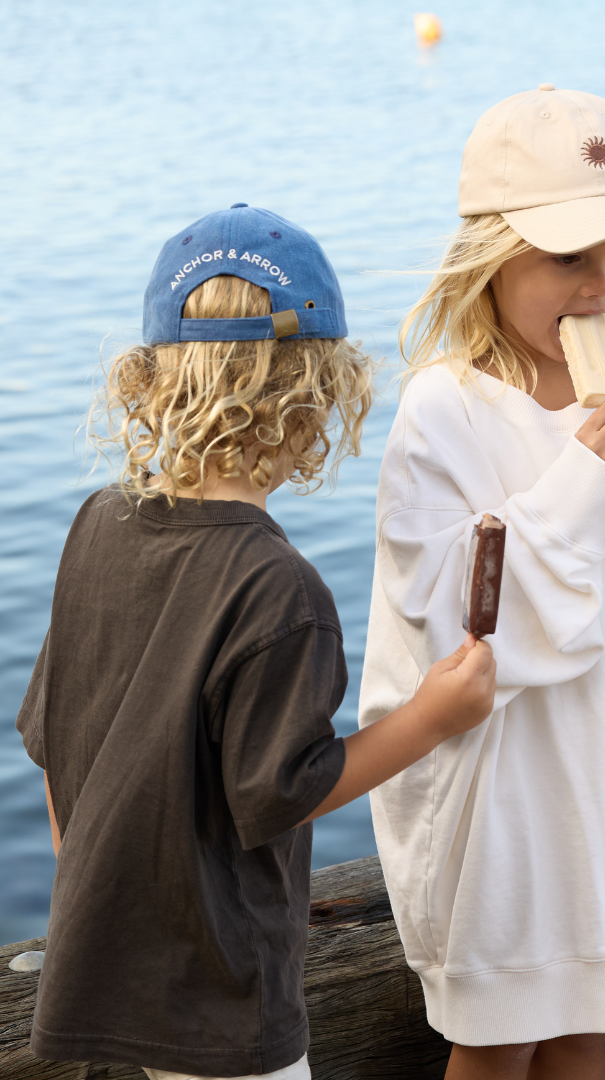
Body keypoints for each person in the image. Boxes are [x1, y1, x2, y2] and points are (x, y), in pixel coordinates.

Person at [16, 204, 496, 1080]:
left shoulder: (97, 523)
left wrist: (86, 885)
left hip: (102, 957)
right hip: (222, 992)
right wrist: (433, 716)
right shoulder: (280, 589)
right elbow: (281, 792)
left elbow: (53, 737)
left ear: (151, 381)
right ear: (318, 398)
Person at [356, 86, 605, 1080]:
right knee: (497, 1040)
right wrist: (589, 475)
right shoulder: (445, 409)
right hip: (502, 797)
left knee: (587, 1032)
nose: (601, 287)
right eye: (570, 256)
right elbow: (460, 624)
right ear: (492, 253)